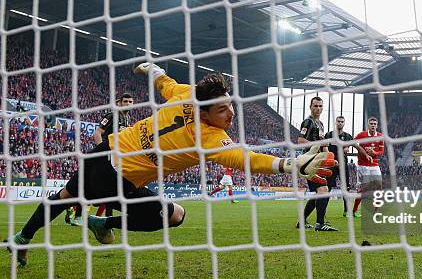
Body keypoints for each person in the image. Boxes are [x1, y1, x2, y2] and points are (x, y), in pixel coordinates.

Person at [6, 63, 336, 266]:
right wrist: (288, 166)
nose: (230, 114)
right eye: (223, 110)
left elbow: (165, 83)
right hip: (118, 176)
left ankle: (22, 238)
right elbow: (245, 158)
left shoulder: (187, 94)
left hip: (103, 155)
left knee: (65, 195)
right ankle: (103, 224)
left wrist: (154, 70)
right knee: (175, 215)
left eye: (230, 106)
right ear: (205, 114)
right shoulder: (207, 137)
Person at [65, 94, 134, 226]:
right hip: (103, 154)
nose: (128, 104)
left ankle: (104, 216)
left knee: (110, 186)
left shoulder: (127, 118)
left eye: (130, 101)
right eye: (125, 101)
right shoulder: (112, 115)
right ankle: (78, 214)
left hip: (115, 156)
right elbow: (97, 133)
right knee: (89, 185)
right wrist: (103, 151)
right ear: (119, 103)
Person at [296, 97, 337, 231]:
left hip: (318, 162)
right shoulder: (308, 122)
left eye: (320, 106)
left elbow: (324, 144)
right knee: (323, 190)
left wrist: (329, 159)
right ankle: (320, 224)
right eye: (315, 106)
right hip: (309, 161)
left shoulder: (320, 124)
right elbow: (301, 141)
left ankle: (302, 222)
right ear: (310, 106)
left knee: (320, 192)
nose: (318, 108)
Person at [324, 116, 371, 217]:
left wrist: (366, 155)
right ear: (335, 122)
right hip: (331, 165)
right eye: (338, 121)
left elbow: (358, 147)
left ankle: (346, 211)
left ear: (344, 123)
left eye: (342, 121)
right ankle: (323, 211)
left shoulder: (348, 136)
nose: (340, 123)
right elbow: (324, 148)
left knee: (346, 188)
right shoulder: (328, 135)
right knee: (328, 188)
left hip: (343, 166)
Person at [352, 117, 385, 216]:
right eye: (371, 124)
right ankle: (354, 209)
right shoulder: (362, 135)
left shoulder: (380, 136)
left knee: (379, 187)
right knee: (364, 188)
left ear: (377, 125)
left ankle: (376, 211)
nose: (373, 125)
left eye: (375, 124)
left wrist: (375, 153)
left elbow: (381, 152)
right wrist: (361, 150)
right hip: (363, 165)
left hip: (375, 165)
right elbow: (352, 142)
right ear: (368, 125)